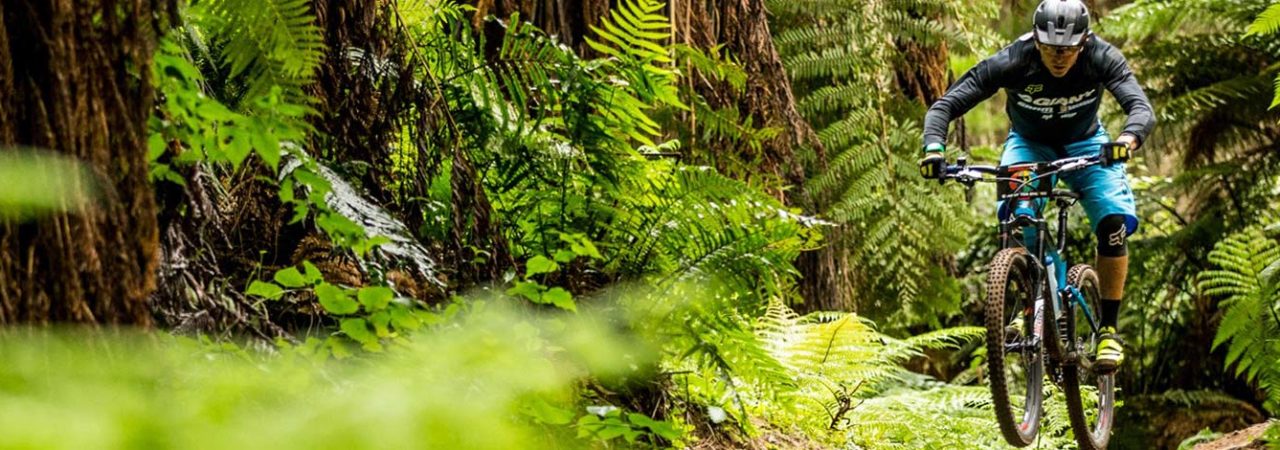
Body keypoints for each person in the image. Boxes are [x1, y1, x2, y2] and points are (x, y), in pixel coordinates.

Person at [918, 0, 1155, 373]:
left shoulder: (1101, 56)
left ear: (1084, 42)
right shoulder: (1013, 60)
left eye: (1068, 50)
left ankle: (1108, 329)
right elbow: (945, 106)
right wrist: (934, 148)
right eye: (1050, 49)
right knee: (1018, 215)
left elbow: (1140, 108)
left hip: (1089, 146)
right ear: (1036, 41)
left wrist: (1127, 140)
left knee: (1112, 224)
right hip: (1028, 145)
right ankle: (1032, 300)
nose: (1059, 58)